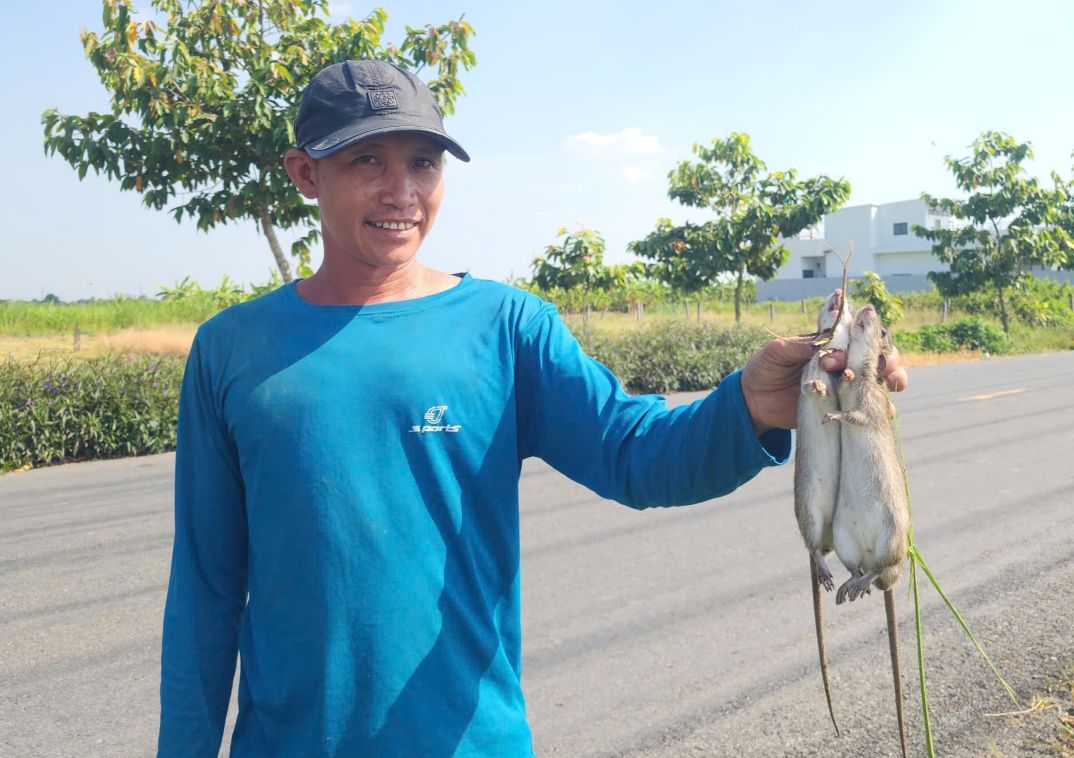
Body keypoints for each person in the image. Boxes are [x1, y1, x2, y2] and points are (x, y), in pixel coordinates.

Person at [157, 60, 907, 757]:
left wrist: (750, 405)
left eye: (423, 161)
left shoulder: (506, 327)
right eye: (366, 161)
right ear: (304, 174)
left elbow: (634, 454)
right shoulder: (233, 350)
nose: (403, 191)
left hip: (470, 742)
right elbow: (206, 589)